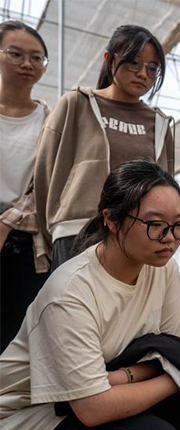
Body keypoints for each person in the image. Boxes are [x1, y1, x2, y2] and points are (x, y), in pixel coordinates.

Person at [0, 159, 180, 430]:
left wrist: (126, 377)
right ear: (112, 221)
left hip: (87, 393)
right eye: (154, 225)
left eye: (178, 225)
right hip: (28, 417)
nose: (170, 238)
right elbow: (93, 409)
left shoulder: (162, 269)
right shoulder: (71, 292)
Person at [34, 24, 173, 270]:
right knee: (76, 307)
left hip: (137, 236)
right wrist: (54, 229)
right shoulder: (77, 103)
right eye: (134, 63)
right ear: (109, 59)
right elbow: (45, 172)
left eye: (153, 68)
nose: (143, 74)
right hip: (77, 231)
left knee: (129, 308)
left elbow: (165, 185)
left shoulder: (159, 122)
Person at [0, 21, 50, 353]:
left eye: (37, 57)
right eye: (15, 54)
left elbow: (47, 182)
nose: (27, 64)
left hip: (25, 240)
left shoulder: (50, 120)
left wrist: (6, 223)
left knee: (11, 334)